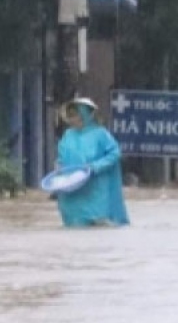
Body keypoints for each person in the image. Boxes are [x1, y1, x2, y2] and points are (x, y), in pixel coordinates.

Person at [55, 97, 130, 228]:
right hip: (72, 189)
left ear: (85, 115)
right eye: (70, 115)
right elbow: (61, 157)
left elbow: (114, 153)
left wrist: (94, 167)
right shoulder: (68, 135)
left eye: (75, 115)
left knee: (99, 222)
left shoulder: (101, 134)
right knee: (74, 225)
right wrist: (58, 168)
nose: (72, 119)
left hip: (96, 188)